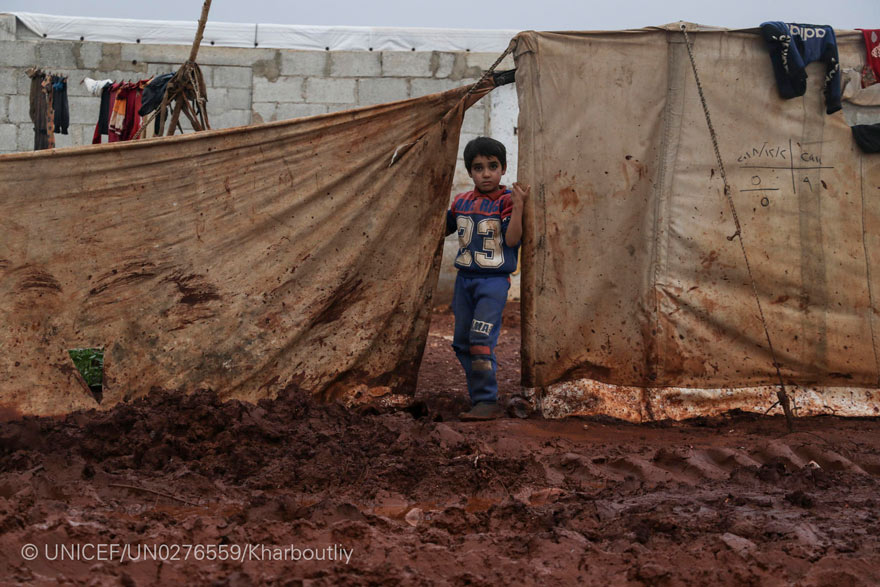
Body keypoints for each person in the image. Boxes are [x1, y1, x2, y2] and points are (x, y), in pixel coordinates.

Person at [445, 137, 529, 421]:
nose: (486, 174)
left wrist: (519, 207)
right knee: (461, 342)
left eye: (493, 166)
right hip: (464, 281)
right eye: (478, 168)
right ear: (469, 171)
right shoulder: (461, 202)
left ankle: (486, 400)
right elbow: (439, 228)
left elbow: (513, 240)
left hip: (492, 282)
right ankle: (479, 395)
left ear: (503, 168)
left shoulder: (506, 201)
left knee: (480, 339)